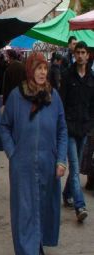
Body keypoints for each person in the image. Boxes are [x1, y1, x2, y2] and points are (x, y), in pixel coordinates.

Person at [0, 52, 68, 255]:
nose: (42, 72)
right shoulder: (16, 97)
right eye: (38, 68)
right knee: (24, 212)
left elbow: (62, 130)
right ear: (30, 70)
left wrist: (61, 160)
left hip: (47, 164)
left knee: (42, 209)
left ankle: (35, 249)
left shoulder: (53, 96)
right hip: (23, 166)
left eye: (44, 68)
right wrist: (12, 152)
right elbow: (5, 126)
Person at [59, 41, 94, 222]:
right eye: (77, 52)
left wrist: (90, 125)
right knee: (74, 166)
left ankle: (66, 194)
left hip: (84, 129)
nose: (80, 55)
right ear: (74, 55)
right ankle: (80, 206)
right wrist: (62, 124)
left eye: (83, 52)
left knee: (76, 167)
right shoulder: (67, 76)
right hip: (70, 129)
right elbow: (61, 103)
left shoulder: (92, 78)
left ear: (88, 55)